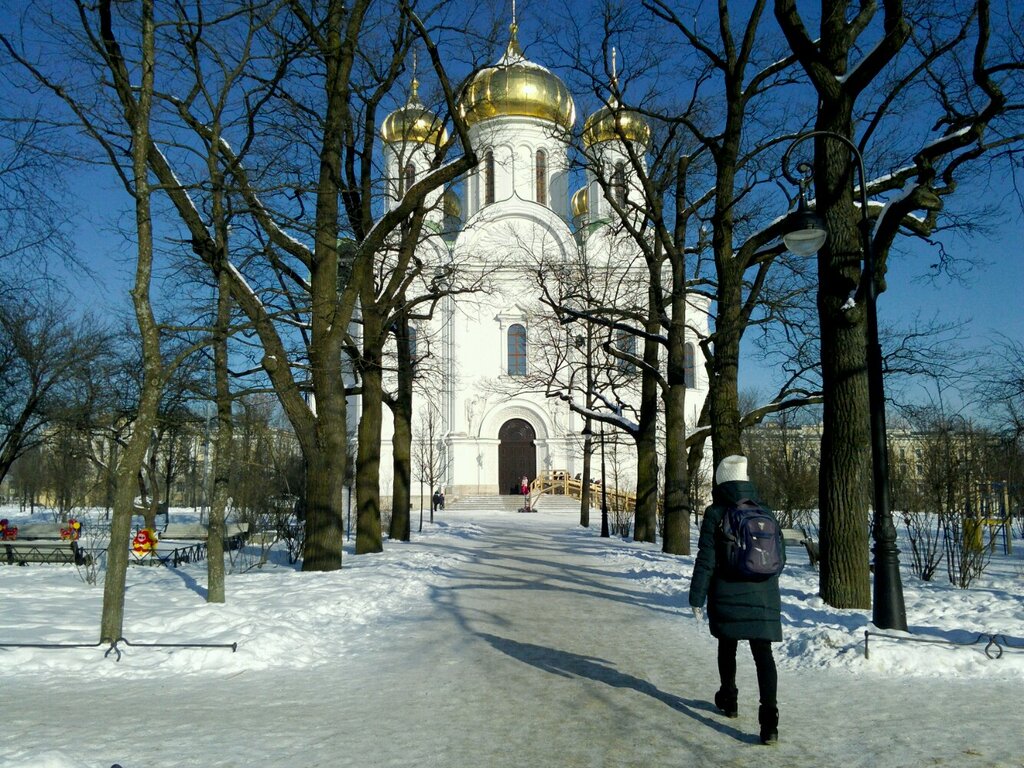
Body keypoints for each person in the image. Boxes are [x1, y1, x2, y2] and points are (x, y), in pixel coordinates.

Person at [688, 455, 783, 745]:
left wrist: (696, 597)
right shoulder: (765, 511)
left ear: (721, 480)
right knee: (763, 654)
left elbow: (707, 559)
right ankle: (769, 723)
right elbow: (780, 558)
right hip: (763, 594)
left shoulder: (716, 513)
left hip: (727, 591)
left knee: (727, 645)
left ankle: (729, 699)